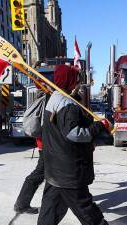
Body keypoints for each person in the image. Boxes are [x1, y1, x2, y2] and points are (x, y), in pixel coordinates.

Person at [38, 65, 110, 225]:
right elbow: (74, 134)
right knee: (87, 210)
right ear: (69, 82)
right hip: (68, 171)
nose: (78, 85)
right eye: (77, 81)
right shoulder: (67, 104)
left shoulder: (54, 99)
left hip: (55, 168)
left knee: (51, 210)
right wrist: (98, 126)